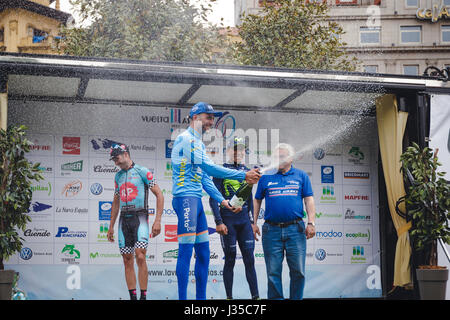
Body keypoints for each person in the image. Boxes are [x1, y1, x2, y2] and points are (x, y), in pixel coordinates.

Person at [171, 102, 261, 300]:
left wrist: (222, 201)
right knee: (186, 252)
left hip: (195, 200)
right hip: (185, 199)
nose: (212, 121)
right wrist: (243, 176)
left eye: (213, 118)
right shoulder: (186, 139)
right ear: (195, 117)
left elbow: (204, 178)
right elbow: (210, 169)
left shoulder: (198, 143)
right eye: (208, 117)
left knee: (203, 253)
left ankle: (201, 302)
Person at [253, 143, 316, 300]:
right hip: (271, 230)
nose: (277, 160)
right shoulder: (265, 176)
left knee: (298, 272)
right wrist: (253, 223)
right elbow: (257, 200)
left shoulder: (301, 176)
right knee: (273, 273)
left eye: (281, 157)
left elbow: (309, 200)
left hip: (296, 230)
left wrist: (311, 223)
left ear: (291, 158)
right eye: (275, 157)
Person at [107, 144, 164, 300]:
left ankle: (143, 296)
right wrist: (111, 226)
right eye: (113, 160)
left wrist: (158, 220)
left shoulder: (142, 171)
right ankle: (132, 297)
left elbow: (159, 195)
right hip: (123, 220)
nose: (115, 163)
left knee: (140, 256)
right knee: (126, 259)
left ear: (125, 154)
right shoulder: (117, 177)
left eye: (116, 158)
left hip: (140, 217)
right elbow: (116, 203)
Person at [209, 137, 259, 300]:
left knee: (249, 260)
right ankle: (229, 298)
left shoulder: (247, 171)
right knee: (230, 259)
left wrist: (252, 223)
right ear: (228, 151)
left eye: (242, 149)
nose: (238, 152)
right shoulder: (220, 170)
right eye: (235, 149)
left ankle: (256, 298)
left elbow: (250, 199)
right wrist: (219, 222)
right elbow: (213, 198)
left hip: (244, 221)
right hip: (228, 220)